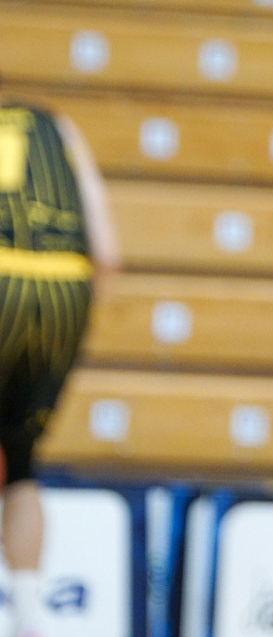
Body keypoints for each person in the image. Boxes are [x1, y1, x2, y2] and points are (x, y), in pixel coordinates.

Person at [0, 85, 117, 637]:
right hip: (65, 291)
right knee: (21, 463)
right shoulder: (60, 126)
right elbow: (108, 254)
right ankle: (28, 616)